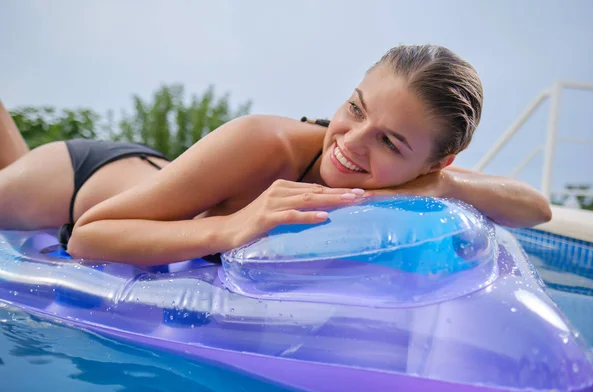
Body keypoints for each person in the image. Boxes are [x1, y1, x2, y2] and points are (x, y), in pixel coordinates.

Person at [0, 44, 551, 267]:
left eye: (389, 141)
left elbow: (537, 208)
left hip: (162, 179)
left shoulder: (424, 179)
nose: (352, 142)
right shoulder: (265, 141)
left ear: (435, 163)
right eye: (355, 108)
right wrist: (236, 226)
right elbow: (90, 235)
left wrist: (445, 189)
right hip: (80, 180)